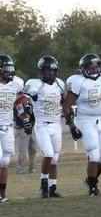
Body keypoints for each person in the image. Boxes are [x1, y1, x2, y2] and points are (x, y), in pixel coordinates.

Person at [63, 53, 101, 196]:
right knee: (94, 154)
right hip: (85, 120)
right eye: (91, 67)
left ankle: (90, 179)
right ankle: (93, 188)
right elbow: (67, 105)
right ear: (84, 69)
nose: (94, 69)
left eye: (96, 66)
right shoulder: (78, 82)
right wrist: (72, 126)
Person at [15, 56, 65, 198]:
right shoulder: (35, 84)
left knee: (55, 159)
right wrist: (25, 117)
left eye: (53, 70)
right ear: (42, 71)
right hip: (42, 125)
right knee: (48, 154)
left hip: (57, 125)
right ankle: (43, 185)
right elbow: (19, 102)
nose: (50, 73)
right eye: (47, 70)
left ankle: (53, 187)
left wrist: (70, 118)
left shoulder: (60, 84)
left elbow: (65, 100)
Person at [0, 55, 24, 202]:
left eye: (10, 69)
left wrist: (25, 118)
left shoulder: (15, 84)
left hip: (8, 127)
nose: (9, 72)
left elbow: (19, 104)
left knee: (5, 161)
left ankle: (2, 193)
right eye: (6, 69)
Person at [14, 107, 37, 174]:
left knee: (33, 149)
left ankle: (32, 167)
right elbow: (22, 116)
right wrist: (27, 113)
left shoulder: (29, 103)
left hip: (31, 128)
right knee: (23, 150)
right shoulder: (18, 105)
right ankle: (19, 169)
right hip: (23, 128)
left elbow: (32, 115)